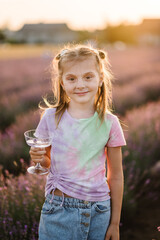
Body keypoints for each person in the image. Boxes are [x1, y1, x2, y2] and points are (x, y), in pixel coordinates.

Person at [29, 44, 127, 240]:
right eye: (71, 78)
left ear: (100, 78)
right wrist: (37, 158)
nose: (80, 84)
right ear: (62, 83)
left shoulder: (110, 123)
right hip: (59, 209)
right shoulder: (51, 118)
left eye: (88, 77)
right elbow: (44, 164)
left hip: (99, 211)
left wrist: (114, 223)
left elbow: (115, 176)